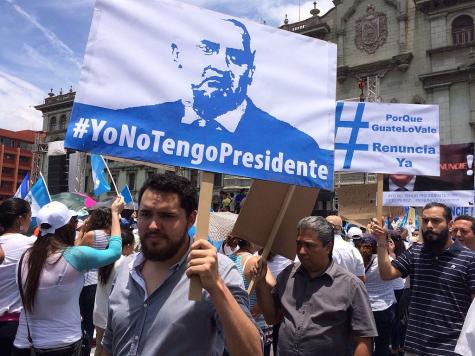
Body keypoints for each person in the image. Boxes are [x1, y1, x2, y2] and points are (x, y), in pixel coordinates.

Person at [101, 173, 261, 356]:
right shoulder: (125, 269)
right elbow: (110, 344)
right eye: (146, 214)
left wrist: (216, 287)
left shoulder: (219, 272)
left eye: (167, 216)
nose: (153, 225)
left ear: (191, 219)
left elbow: (252, 352)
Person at [12, 198, 124, 355]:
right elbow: (114, 251)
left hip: (25, 343)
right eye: (74, 220)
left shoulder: (25, 257)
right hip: (64, 344)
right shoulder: (75, 255)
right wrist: (114, 213)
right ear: (68, 226)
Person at [252, 216, 377, 356]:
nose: (301, 251)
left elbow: (364, 339)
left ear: (328, 247)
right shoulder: (287, 275)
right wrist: (261, 282)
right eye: (298, 244)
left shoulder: (351, 286)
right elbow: (272, 318)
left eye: (309, 245)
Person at [373, 202, 475, 355]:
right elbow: (387, 274)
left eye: (435, 221)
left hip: (450, 349)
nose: (429, 225)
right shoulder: (416, 252)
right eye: (425, 220)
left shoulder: (469, 259)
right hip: (414, 347)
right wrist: (381, 242)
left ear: (450, 224)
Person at [222, 235, 275, 356]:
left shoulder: (229, 258)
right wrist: (259, 306)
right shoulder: (255, 261)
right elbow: (272, 285)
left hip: (233, 323)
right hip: (254, 325)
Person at [75, 207, 112, 356]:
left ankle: (85, 351)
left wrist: (82, 230)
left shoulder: (92, 235)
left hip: (89, 282)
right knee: (102, 322)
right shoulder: (113, 235)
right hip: (106, 282)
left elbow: (76, 251)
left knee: (88, 323)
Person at [0, 198, 35, 354]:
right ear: (20, 218)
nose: (31, 219)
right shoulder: (29, 244)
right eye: (29, 215)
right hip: (14, 323)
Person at [93, 228, 135, 356]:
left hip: (99, 314)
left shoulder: (105, 258)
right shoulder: (124, 262)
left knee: (100, 350)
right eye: (132, 246)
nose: (133, 249)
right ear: (127, 246)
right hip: (111, 319)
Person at [357, 235, 396, 356]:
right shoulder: (386, 260)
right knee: (383, 344)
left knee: (365, 343)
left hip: (364, 307)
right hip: (384, 307)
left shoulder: (357, 260)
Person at [326, 215, 365, 281]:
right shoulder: (353, 250)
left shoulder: (318, 248)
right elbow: (361, 279)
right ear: (341, 229)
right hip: (348, 289)